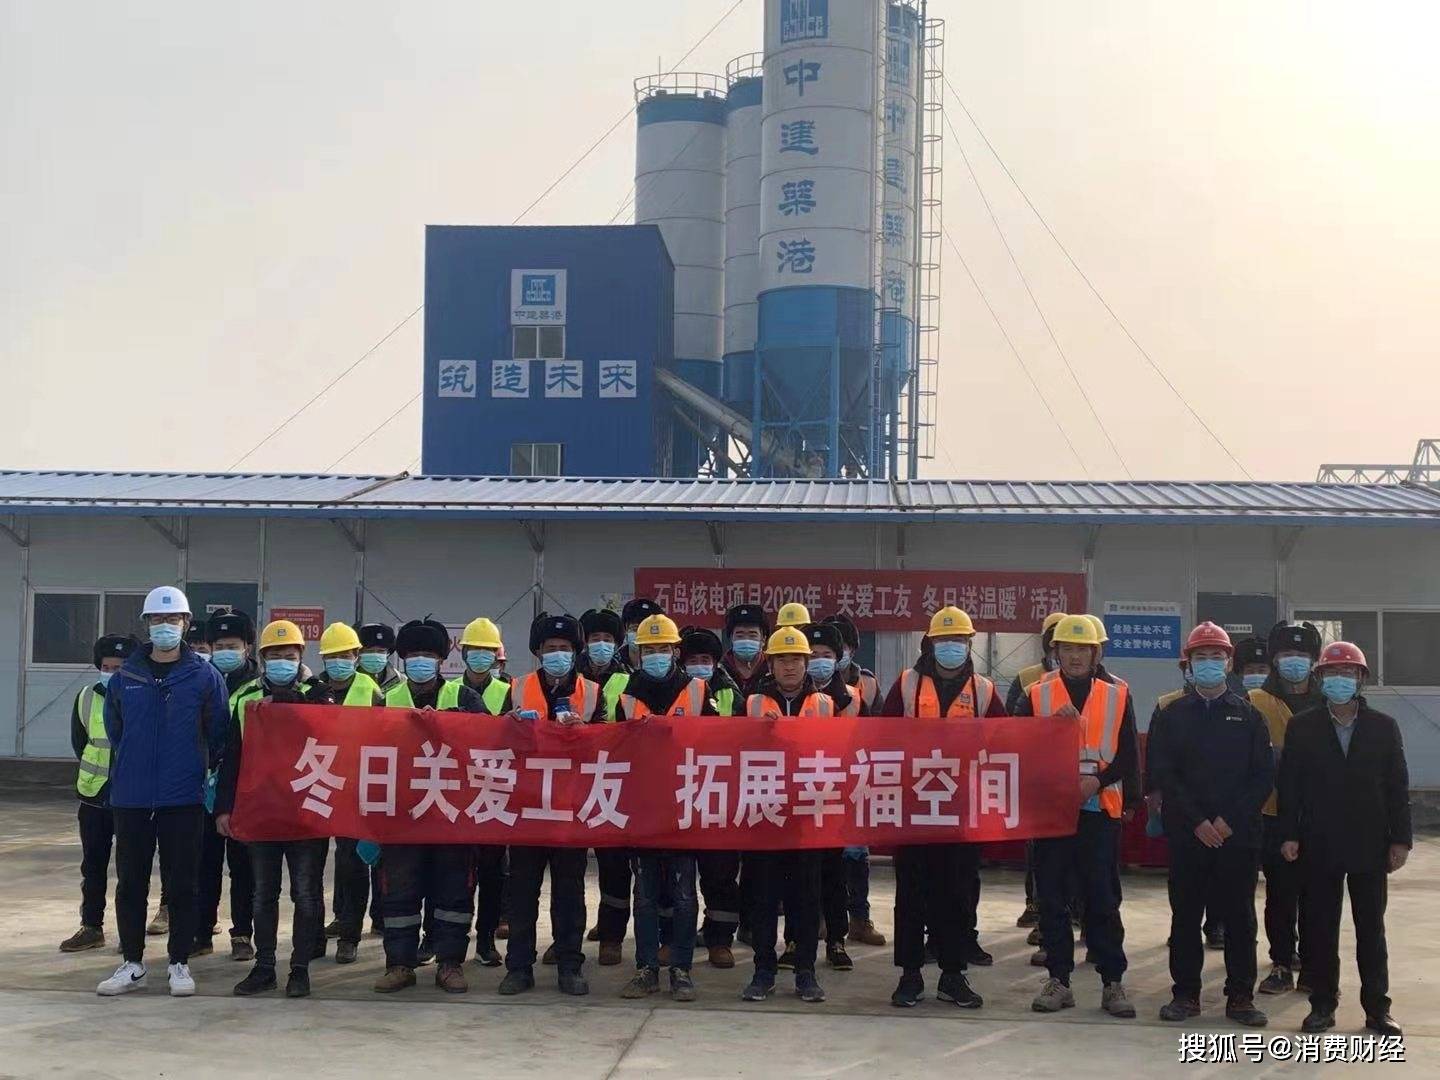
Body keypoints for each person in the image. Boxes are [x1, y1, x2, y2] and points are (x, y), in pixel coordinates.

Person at [96, 586, 228, 998]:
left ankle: (179, 963)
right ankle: (132, 963)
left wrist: (194, 769)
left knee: (183, 883)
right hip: (132, 797)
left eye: (172, 620)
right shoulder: (126, 678)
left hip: (182, 797)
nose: (165, 627)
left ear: (186, 624)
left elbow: (218, 733)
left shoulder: (205, 676)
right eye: (157, 620)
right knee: (131, 883)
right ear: (147, 625)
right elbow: (116, 731)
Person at [1278, 641, 1410, 1037]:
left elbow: (1397, 787)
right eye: (1333, 674)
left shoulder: (1383, 727)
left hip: (1370, 844)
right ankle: (1322, 1004)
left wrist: (1400, 840)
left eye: (1348, 674)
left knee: (1371, 928)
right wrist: (1288, 834)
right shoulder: (1303, 727)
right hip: (1319, 843)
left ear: (1361, 680)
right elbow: (1289, 787)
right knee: (1320, 928)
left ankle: (1377, 1009)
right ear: (1319, 679)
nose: (1340, 681)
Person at [1012, 614, 1139, 1018]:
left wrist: (1097, 783)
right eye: (1067, 647)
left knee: (1102, 897)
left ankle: (1112, 981)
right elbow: (1013, 745)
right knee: (1051, 896)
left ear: (1096, 652)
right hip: (1051, 813)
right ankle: (1059, 980)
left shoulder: (1119, 693)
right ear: (1056, 651)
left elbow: (1128, 758)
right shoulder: (1035, 694)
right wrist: (1046, 728)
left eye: (1083, 648)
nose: (1075, 655)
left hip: (1098, 811)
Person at [1148, 623, 1272, 1028]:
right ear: (1188, 665)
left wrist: (1227, 821)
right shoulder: (1171, 715)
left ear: (1229, 663)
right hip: (1189, 834)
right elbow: (1165, 774)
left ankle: (1240, 997)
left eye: (1216, 657)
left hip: (1237, 836)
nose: (1209, 665)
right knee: (1185, 917)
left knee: (1240, 919)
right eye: (1200, 658)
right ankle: (1185, 995)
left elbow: (1261, 778)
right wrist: (1199, 821)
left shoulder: (1249, 714)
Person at [882, 606, 1001, 1009]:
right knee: (912, 894)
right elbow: (881, 740)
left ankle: (953, 975)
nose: (952, 647)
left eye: (959, 641)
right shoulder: (906, 684)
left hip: (963, 810)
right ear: (930, 643)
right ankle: (910, 975)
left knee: (958, 894)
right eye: (944, 641)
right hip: (914, 807)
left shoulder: (984, 691)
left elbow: (1003, 744)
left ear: (970, 645)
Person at [214, 619, 331, 998]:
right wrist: (224, 809)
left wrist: (282, 705)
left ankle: (299, 968)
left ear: (301, 658)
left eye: (290, 656)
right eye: (276, 656)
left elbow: (336, 744)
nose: (283, 662)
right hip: (260, 810)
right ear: (262, 658)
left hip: (306, 812)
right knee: (262, 892)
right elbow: (232, 757)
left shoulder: (320, 695)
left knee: (306, 893)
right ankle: (265, 966)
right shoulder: (246, 698)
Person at [374, 618, 486, 994]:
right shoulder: (386, 697)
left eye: (429, 654)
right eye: (413, 655)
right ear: (402, 659)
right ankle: (399, 963)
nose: (420, 661)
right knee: (399, 891)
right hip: (402, 815)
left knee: (453, 891)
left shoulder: (464, 698)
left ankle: (450, 962)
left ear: (442, 659)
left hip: (451, 814)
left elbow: (488, 747)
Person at [499, 612, 603, 998]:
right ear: (538, 652)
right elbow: (494, 743)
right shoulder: (518, 686)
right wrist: (505, 724)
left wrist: (585, 734)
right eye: (550, 649)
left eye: (564, 648)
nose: (557, 654)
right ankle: (518, 967)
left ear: (575, 652)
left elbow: (611, 744)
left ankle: (570, 965)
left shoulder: (592, 692)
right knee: (523, 891)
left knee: (570, 892)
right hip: (526, 807)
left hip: (569, 808)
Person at [616, 614, 715, 1002]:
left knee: (685, 894)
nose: (656, 655)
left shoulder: (698, 691)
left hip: (683, 808)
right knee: (644, 894)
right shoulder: (624, 695)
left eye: (663, 649)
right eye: (649, 649)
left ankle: (681, 968)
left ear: (676, 651)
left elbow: (721, 745)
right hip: (640, 809)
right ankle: (646, 969)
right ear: (638, 653)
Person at [739, 625, 835, 1005]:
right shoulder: (751, 702)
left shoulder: (827, 706)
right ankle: (763, 970)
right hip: (764, 814)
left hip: (807, 817)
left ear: (807, 662)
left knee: (806, 899)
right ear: (771, 663)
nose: (790, 666)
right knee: (762, 897)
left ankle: (805, 971)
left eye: (796, 658)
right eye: (782, 659)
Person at [778, 622, 858, 973]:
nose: (820, 662)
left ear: (838, 659)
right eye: (816, 656)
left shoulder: (850, 698)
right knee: (797, 877)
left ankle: (837, 939)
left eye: (828, 656)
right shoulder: (786, 697)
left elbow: (866, 746)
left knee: (833, 873)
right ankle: (795, 940)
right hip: (792, 796)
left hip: (834, 795)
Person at [1250, 620, 1323, 996]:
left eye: (1302, 654)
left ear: (1314, 661)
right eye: (1286, 654)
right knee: (1280, 894)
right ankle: (1281, 962)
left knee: (1319, 895)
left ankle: (1314, 965)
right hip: (1274, 813)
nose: (1294, 661)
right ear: (1274, 660)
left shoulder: (1331, 702)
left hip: (1320, 817)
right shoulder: (1255, 702)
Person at [310, 622, 386, 965]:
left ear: (357, 656)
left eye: (346, 655)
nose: (339, 661)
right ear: (323, 658)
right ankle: (318, 931)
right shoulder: (312, 690)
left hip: (357, 786)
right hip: (317, 783)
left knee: (353, 860)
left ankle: (350, 935)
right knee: (311, 864)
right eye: (333, 656)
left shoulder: (372, 690)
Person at [60, 634, 138, 954]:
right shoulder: (85, 696)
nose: (110, 672)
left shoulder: (140, 696)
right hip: (93, 795)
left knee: (131, 867)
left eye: (118, 667)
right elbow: (81, 743)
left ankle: (129, 933)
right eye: (106, 666)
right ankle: (91, 926)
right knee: (93, 864)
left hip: (130, 796)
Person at [195, 609, 260, 962]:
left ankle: (242, 934)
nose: (225, 651)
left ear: (247, 647)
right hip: (199, 786)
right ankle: (201, 932)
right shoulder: (197, 680)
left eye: (232, 645)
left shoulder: (260, 688)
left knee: (243, 867)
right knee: (202, 865)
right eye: (218, 645)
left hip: (242, 787)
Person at [678, 626, 744, 967]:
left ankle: (720, 940)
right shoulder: (673, 689)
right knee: (677, 876)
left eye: (706, 660)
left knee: (721, 875)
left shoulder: (730, 692)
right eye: (693, 660)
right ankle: (676, 939)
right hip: (679, 793)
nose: (699, 666)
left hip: (720, 795)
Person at [823, 613, 886, 949]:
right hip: (819, 779)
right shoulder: (810, 683)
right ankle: (823, 917)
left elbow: (880, 731)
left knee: (856, 852)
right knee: (823, 852)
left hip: (856, 778)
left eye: (844, 645)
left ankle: (859, 919)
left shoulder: (869, 683)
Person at [454, 617, 511, 968]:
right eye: (474, 650)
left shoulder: (509, 691)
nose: (480, 656)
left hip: (494, 794)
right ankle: (444, 938)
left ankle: (486, 938)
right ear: (463, 653)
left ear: (496, 655)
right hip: (457, 795)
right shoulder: (450, 691)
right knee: (455, 875)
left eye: (486, 651)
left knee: (492, 874)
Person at [578, 607, 633, 965]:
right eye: (595, 639)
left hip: (612, 780)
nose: (601, 645)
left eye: (608, 640)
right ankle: (566, 936)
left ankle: (612, 934)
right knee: (568, 869)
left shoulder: (629, 680)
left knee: (614, 864)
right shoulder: (569, 676)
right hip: (567, 783)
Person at [1007, 611, 1067, 930]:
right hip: (1036, 777)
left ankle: (1072, 909)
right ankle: (1035, 905)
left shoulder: (1093, 678)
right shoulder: (1027, 677)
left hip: (1076, 780)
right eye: (1057, 643)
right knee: (1036, 848)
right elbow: (1010, 725)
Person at [722, 603, 770, 698]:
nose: (746, 640)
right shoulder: (719, 672)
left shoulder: (773, 671)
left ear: (763, 639)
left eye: (752, 635)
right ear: (731, 638)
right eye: (740, 635)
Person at [356, 622, 402, 690]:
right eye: (369, 651)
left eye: (381, 651)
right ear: (358, 653)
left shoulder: (400, 681)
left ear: (388, 653)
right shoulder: (347, 680)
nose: (376, 655)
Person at [621, 597, 664, 670]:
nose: (641, 634)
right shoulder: (613, 665)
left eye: (646, 629)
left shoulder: (664, 666)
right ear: (626, 629)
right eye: (635, 629)